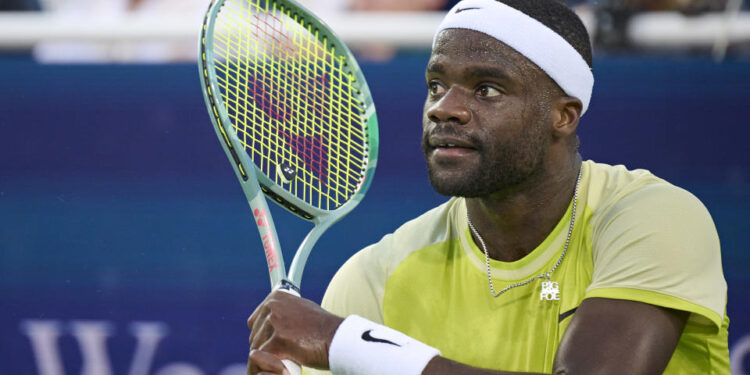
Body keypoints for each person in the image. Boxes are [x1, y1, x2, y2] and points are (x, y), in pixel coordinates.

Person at [247, 0, 730, 373]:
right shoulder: (375, 277)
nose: (444, 109)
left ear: (563, 116)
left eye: (487, 90)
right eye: (436, 86)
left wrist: (350, 345)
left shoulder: (655, 218)